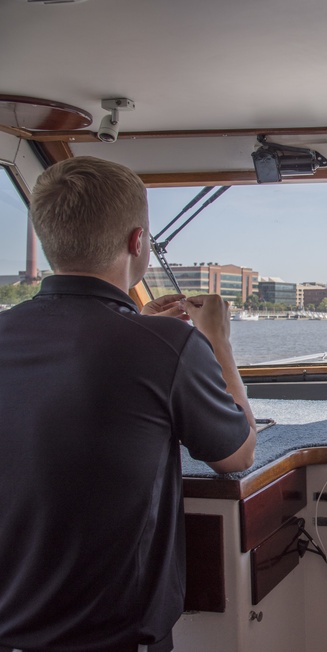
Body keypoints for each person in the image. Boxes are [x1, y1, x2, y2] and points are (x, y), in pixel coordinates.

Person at [0, 156, 256, 652]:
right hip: (110, 637)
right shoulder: (164, 346)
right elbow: (238, 454)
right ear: (138, 242)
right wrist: (217, 344)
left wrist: (137, 321)